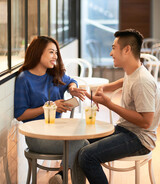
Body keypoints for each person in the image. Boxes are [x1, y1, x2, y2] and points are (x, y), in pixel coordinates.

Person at [78, 29, 160, 184]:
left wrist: (108, 104)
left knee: (87, 156)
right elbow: (125, 81)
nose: (110, 53)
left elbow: (146, 122)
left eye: (114, 48)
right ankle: (62, 177)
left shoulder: (143, 81)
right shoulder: (133, 72)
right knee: (78, 140)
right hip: (125, 130)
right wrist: (104, 87)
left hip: (139, 139)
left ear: (127, 49)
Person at [14, 36, 88, 184]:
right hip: (37, 137)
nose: (55, 56)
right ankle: (61, 175)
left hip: (57, 132)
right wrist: (49, 107)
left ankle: (60, 176)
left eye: (56, 53)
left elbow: (71, 80)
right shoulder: (24, 79)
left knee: (83, 144)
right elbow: (20, 115)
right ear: (38, 53)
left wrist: (72, 88)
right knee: (82, 144)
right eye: (51, 52)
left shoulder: (55, 74)